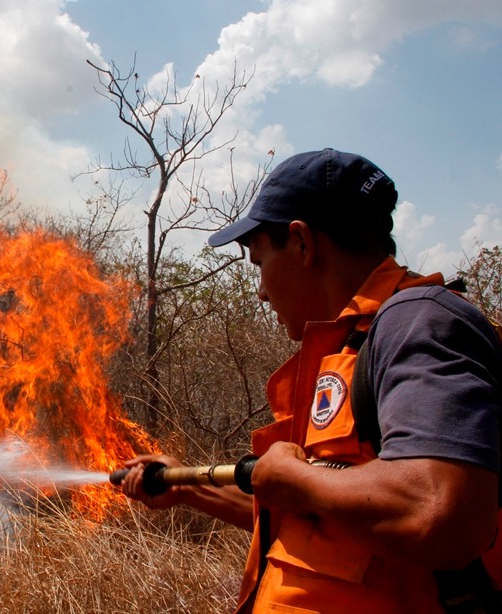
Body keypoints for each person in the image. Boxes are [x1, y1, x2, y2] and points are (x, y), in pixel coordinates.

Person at [120, 148, 502, 613]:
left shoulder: (417, 323)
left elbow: (440, 512)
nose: (260, 291)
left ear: (302, 243)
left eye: (259, 263)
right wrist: (189, 488)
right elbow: (324, 513)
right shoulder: (349, 346)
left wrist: (299, 479)